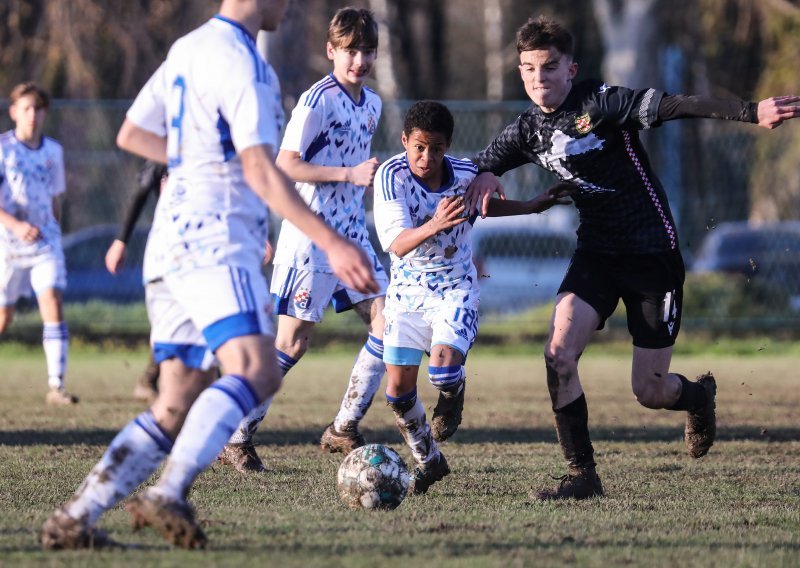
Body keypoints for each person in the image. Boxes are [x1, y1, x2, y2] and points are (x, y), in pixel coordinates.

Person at [41, 0, 376, 550]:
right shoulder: (244, 63)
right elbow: (262, 169)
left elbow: (132, 133)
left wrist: (196, 163)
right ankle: (169, 492)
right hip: (215, 239)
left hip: (169, 243)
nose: (289, 7)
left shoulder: (188, 48)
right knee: (259, 370)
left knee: (176, 398)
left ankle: (77, 516)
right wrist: (332, 242)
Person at [468, 15, 800, 500]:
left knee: (649, 390)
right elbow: (475, 164)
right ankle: (583, 475)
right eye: (528, 69)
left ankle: (698, 396)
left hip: (651, 255)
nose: (538, 79)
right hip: (597, 253)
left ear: (570, 68)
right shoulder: (527, 132)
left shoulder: (602, 103)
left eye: (549, 67)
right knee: (558, 353)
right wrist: (481, 174)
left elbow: (676, 104)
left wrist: (751, 111)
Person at [374, 100, 575, 494]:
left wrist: (532, 206)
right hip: (406, 296)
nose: (425, 157)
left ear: (447, 146)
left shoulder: (466, 174)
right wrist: (434, 224)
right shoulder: (391, 176)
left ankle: (453, 393)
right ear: (404, 141)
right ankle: (429, 461)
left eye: (435, 148)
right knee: (397, 394)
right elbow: (397, 244)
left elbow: (484, 206)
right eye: (418, 147)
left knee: (444, 371)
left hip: (455, 289)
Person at [219, 6, 388, 473]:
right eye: (351, 51)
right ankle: (236, 436)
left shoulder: (372, 103)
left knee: (388, 322)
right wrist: (348, 173)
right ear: (332, 51)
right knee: (292, 345)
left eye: (367, 51)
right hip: (310, 238)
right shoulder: (317, 101)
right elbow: (285, 164)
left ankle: (343, 428)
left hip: (352, 237)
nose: (360, 60)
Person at [0, 82, 77, 406]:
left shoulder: (53, 151)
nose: (32, 115)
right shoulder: (3, 148)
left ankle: (56, 386)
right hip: (7, 243)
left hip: (45, 243)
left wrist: (52, 227)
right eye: (26, 108)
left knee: (53, 301)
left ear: (45, 113)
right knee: (4, 317)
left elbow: (55, 198)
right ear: (14, 112)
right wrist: (15, 224)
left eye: (38, 108)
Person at [105, 159, 167, 403]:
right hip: (168, 250)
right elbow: (141, 191)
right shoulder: (166, 150)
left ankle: (151, 379)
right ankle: (150, 379)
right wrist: (121, 241)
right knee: (168, 323)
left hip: (208, 249)